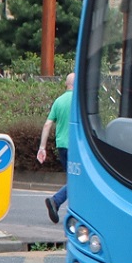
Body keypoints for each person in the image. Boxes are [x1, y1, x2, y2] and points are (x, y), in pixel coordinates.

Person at [38, 72, 76, 223]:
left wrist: (42, 147)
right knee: (78, 180)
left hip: (62, 145)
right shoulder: (79, 101)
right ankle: (56, 200)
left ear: (66, 84)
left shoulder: (59, 101)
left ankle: (64, 206)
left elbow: (47, 124)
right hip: (76, 146)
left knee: (74, 179)